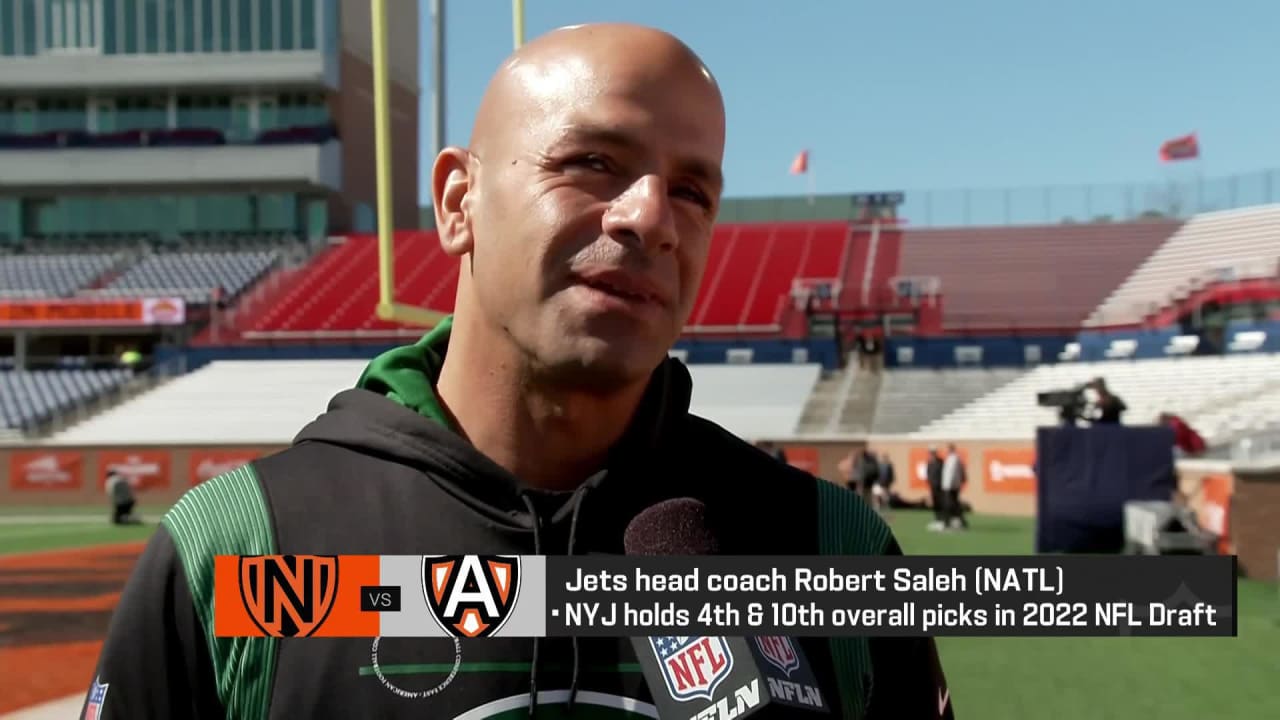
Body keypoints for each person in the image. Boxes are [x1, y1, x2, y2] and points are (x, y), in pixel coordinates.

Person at [82, 24, 952, 720]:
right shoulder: (237, 549)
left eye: (692, 191)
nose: (652, 218)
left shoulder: (834, 549)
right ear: (459, 202)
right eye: (593, 163)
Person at [941, 444, 969, 530]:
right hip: (952, 485)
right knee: (954, 504)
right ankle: (958, 521)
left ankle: (948, 522)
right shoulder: (953, 458)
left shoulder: (953, 459)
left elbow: (951, 474)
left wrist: (948, 485)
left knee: (949, 504)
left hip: (950, 486)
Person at [926, 445, 947, 531]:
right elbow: (928, 474)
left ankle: (942, 520)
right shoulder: (929, 463)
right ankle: (937, 519)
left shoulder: (941, 462)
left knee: (941, 503)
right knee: (935, 504)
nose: (932, 454)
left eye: (933, 452)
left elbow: (943, 474)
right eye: (931, 452)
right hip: (933, 487)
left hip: (940, 487)